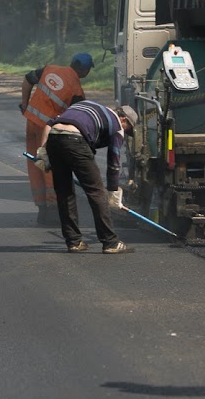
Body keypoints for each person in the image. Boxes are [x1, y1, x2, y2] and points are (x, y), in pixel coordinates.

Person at [44, 101, 137, 254]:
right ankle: (110, 242)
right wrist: (113, 190)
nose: (125, 133)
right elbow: (114, 162)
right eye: (128, 129)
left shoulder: (88, 106)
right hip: (75, 140)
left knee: (64, 192)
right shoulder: (117, 126)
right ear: (124, 120)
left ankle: (73, 242)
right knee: (97, 192)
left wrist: (44, 151)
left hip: (54, 137)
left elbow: (50, 123)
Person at [20, 53, 93, 225]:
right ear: (84, 69)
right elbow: (76, 118)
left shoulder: (49, 69)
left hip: (31, 123)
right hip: (47, 130)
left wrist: (25, 104)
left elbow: (27, 80)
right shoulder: (76, 90)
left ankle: (41, 208)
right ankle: (53, 210)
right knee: (50, 165)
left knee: (35, 162)